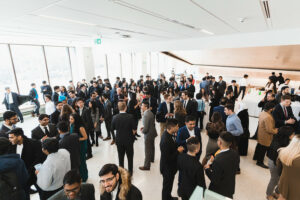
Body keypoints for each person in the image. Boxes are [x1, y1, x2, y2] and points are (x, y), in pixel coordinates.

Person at [8, 128, 45, 200]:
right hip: (21, 177)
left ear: (19, 137)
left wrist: (29, 171)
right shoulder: (11, 145)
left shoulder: (35, 143)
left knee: (42, 193)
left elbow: (39, 159)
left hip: (34, 175)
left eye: (12, 137)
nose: (9, 139)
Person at [204, 131, 240, 198]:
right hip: (229, 188)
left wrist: (207, 169)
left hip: (218, 192)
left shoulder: (218, 160)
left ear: (220, 142)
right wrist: (212, 165)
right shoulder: (235, 154)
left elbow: (215, 180)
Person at [266, 126, 294, 200]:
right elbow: (276, 159)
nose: (293, 135)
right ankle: (269, 194)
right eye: (292, 134)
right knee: (274, 179)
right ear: (287, 135)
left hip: (280, 163)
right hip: (275, 163)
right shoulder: (278, 145)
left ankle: (277, 192)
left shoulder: (283, 141)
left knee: (281, 179)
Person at [160, 119, 184, 200]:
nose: (178, 127)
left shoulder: (170, 135)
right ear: (172, 127)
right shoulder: (165, 140)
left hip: (171, 167)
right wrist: (178, 151)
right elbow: (168, 158)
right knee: (166, 187)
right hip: (167, 168)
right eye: (177, 126)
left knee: (169, 186)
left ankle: (168, 197)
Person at [111, 102, 137, 174]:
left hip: (119, 140)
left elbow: (112, 129)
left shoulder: (115, 117)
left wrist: (114, 138)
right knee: (130, 156)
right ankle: (130, 171)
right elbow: (134, 129)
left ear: (118, 108)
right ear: (126, 108)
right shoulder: (130, 117)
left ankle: (121, 172)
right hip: (129, 140)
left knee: (120, 157)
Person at [255, 102, 278, 168]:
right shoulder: (268, 117)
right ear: (271, 109)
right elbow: (269, 130)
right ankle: (259, 162)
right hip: (266, 135)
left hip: (261, 133)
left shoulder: (262, 112)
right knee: (263, 149)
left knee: (259, 147)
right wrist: (277, 130)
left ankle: (256, 157)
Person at [277, 134, 300, 200]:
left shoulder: (282, 152)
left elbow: (278, 166)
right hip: (297, 187)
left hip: (284, 182)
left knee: (282, 197)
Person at [69, 113, 88, 182]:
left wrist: (77, 139)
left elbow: (85, 137)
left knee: (82, 161)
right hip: (75, 145)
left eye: (71, 119)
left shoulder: (80, 127)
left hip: (81, 146)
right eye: (69, 119)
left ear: (76, 119)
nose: (70, 120)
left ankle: (84, 177)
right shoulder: (72, 125)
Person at [224, 104, 243, 173]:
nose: (224, 111)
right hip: (230, 137)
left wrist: (230, 132)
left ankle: (237, 169)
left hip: (234, 139)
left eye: (225, 110)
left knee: (235, 154)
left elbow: (241, 131)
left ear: (230, 110)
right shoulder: (229, 116)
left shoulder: (235, 119)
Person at [139, 101, 157, 170]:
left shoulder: (146, 114)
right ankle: (152, 159)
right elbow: (150, 124)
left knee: (147, 150)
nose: (141, 107)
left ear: (146, 107)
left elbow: (146, 129)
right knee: (152, 147)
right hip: (152, 132)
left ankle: (146, 165)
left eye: (142, 106)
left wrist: (142, 131)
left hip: (148, 134)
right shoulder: (150, 112)